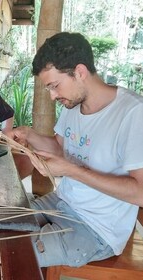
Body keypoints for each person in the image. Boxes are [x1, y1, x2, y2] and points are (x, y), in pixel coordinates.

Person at [11, 32, 143, 267]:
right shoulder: (73, 104)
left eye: (55, 86)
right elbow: (61, 149)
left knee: (11, 255)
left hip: (96, 228)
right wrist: (29, 134)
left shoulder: (133, 114)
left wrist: (72, 171)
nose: (52, 96)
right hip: (61, 202)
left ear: (80, 72)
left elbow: (140, 193)